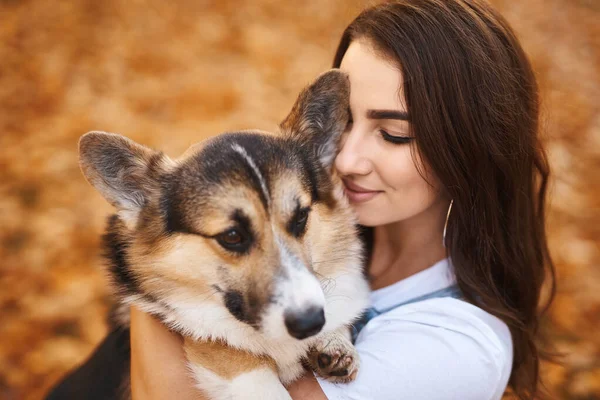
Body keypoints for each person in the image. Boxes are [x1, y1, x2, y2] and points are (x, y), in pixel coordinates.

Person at [129, 0, 556, 399]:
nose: (345, 160)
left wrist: (153, 253)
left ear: (470, 149)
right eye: (343, 121)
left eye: (394, 135)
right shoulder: (325, 220)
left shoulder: (459, 345)